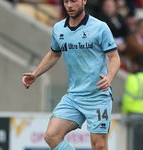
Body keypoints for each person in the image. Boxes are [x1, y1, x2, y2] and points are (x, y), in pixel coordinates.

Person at [22, 0, 120, 149]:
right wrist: (36, 73)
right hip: (74, 97)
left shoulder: (100, 27)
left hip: (98, 96)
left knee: (99, 145)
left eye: (73, 1)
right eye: (66, 1)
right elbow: (54, 54)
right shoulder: (59, 28)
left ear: (84, 1)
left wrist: (109, 78)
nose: (69, 5)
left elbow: (115, 57)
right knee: (52, 136)